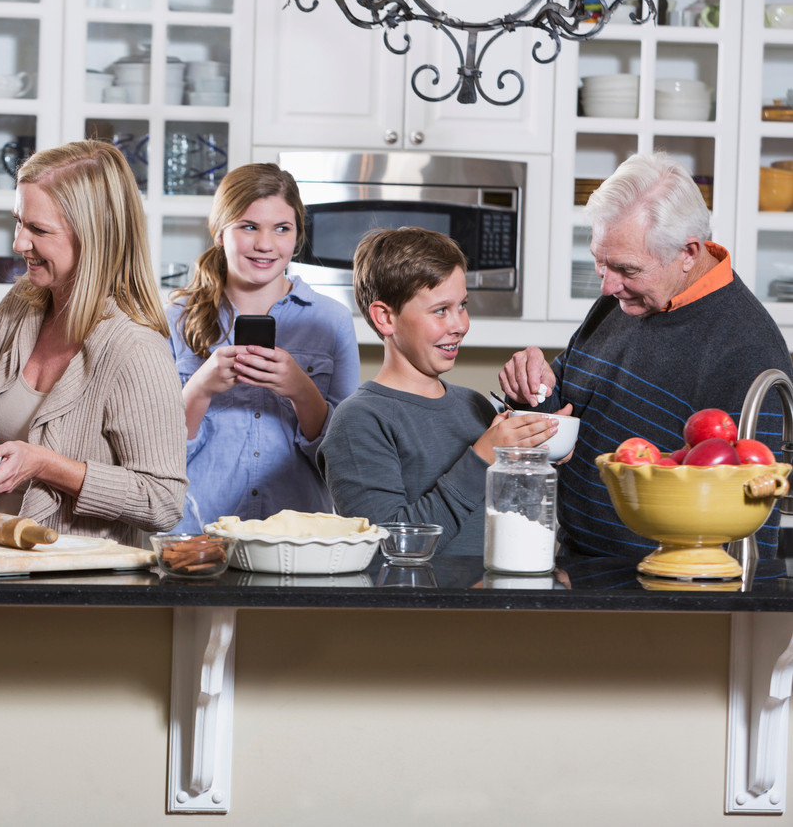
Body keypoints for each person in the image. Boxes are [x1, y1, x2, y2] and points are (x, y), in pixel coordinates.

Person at [499, 151, 793, 560]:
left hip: (657, 590)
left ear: (688, 252)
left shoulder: (747, 349)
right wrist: (532, 386)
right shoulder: (626, 298)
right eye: (600, 263)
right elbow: (566, 406)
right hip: (574, 564)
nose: (607, 285)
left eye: (626, 269)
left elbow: (751, 522)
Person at [0, 139, 187, 546]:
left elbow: (163, 501)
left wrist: (47, 465)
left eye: (38, 229)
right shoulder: (25, 302)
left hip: (82, 593)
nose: (19, 243)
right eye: (18, 221)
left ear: (95, 237)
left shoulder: (135, 350)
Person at [318, 227, 560, 555]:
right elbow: (388, 547)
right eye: (440, 310)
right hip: (422, 606)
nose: (460, 324)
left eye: (462, 305)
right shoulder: (359, 421)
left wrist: (540, 423)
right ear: (385, 317)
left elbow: (518, 512)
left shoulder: (474, 405)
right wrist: (482, 457)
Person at [166, 163, 359, 532]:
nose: (265, 244)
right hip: (196, 535)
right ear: (220, 233)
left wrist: (302, 391)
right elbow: (157, 454)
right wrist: (200, 387)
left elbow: (342, 459)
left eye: (281, 228)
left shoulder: (331, 321)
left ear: (297, 236)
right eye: (249, 226)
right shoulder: (175, 317)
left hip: (297, 539)